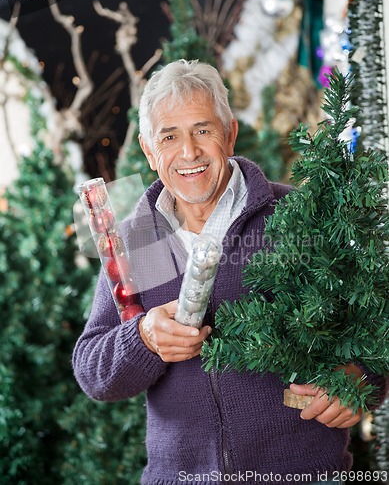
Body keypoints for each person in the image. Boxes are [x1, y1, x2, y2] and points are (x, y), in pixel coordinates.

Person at [73, 59, 387, 485]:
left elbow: (375, 328)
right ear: (149, 151)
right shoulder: (138, 241)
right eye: (169, 136)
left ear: (230, 134)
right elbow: (93, 369)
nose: (189, 152)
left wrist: (361, 380)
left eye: (203, 130)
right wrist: (144, 338)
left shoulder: (294, 216)